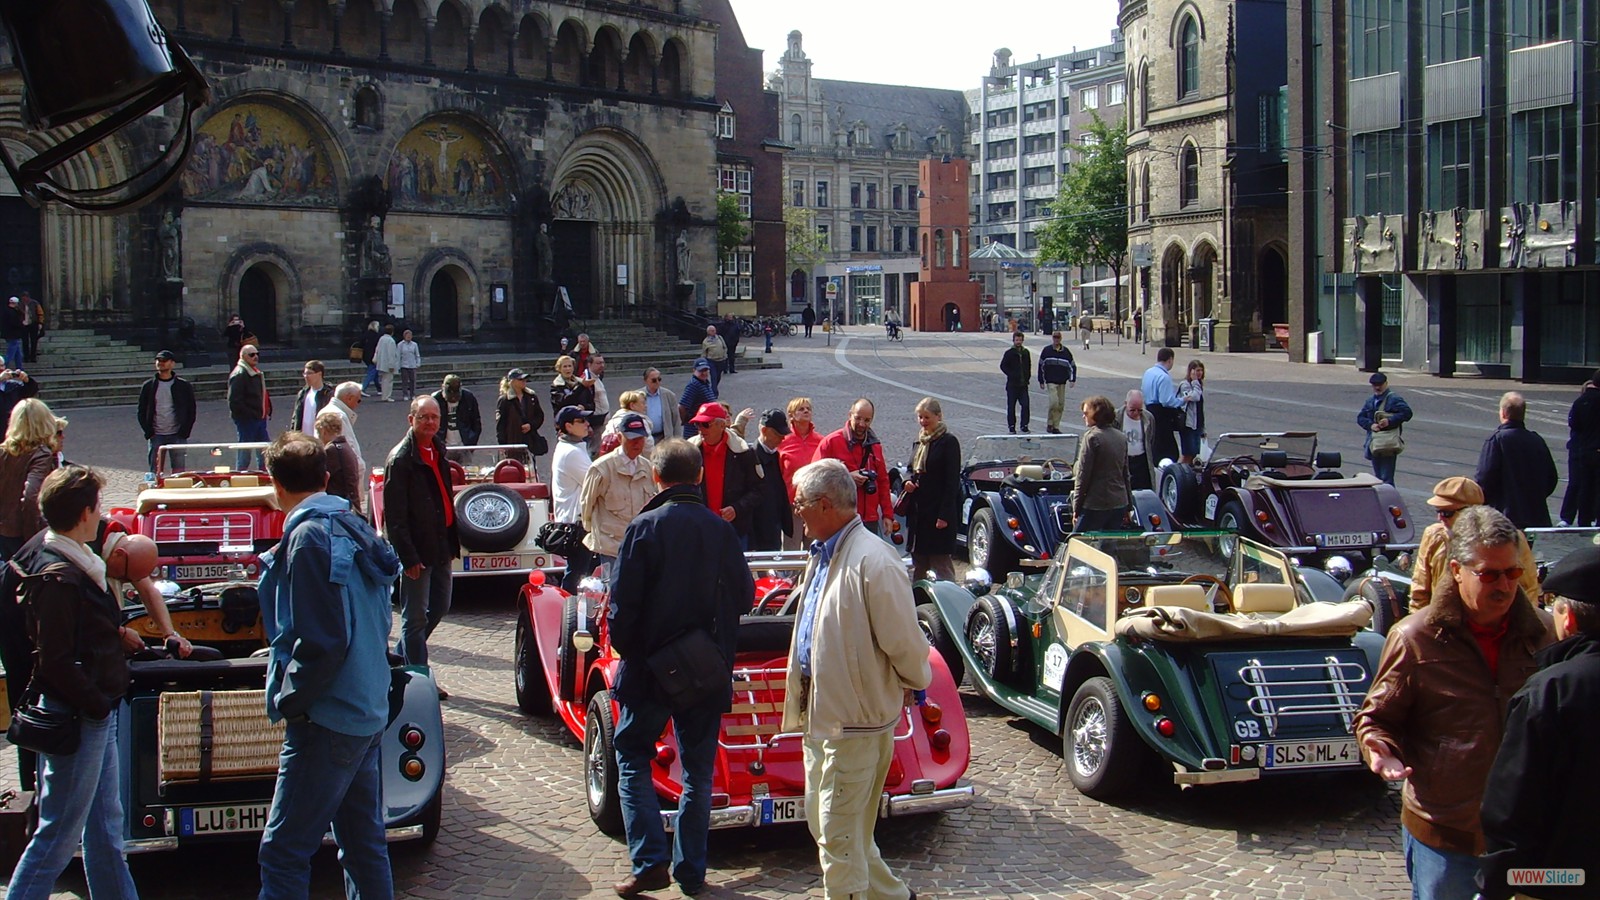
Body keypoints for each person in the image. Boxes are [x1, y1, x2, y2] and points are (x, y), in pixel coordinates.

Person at [1354, 505, 1554, 900]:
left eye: (1512, 573)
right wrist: (1380, 751)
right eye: (1488, 574)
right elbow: (1376, 718)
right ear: (1457, 569)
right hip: (1446, 836)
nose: (1504, 586)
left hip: (1530, 835)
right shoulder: (1415, 637)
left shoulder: (1546, 635)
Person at [255, 433, 402, 899]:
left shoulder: (308, 536)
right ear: (323, 477)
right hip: (366, 704)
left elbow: (322, 641)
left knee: (283, 851)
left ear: (275, 485)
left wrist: (290, 700)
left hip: (330, 713)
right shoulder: (353, 522)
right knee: (362, 845)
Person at [607, 439, 751, 898]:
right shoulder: (719, 530)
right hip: (706, 666)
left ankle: (650, 861)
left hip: (650, 668)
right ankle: (691, 871)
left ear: (656, 477)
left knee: (631, 755)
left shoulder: (644, 526)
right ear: (699, 477)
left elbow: (622, 607)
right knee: (698, 774)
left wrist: (631, 651)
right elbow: (745, 597)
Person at [781, 458, 931, 900]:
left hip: (855, 722)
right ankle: (893, 896)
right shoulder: (826, 552)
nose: (796, 512)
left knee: (838, 834)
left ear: (824, 505)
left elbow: (905, 641)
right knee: (832, 824)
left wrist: (911, 680)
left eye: (800, 503)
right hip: (826, 714)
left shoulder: (873, 560)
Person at [5, 466, 140, 900]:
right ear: (84, 514)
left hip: (90, 708)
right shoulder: (61, 576)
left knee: (105, 830)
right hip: (82, 715)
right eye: (98, 508)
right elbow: (57, 659)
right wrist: (97, 704)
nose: (102, 517)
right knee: (60, 834)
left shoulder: (51, 555)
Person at [1477, 543, 1600, 899]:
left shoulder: (1552, 691)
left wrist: (1501, 886)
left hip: (1565, 881)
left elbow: (1513, 807)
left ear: (1569, 619)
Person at [381, 397, 459, 689]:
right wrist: (408, 557)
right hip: (417, 549)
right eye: (423, 417)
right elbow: (395, 515)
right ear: (411, 419)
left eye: (434, 417)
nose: (430, 422)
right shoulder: (401, 459)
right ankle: (419, 679)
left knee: (440, 606)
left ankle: (403, 654)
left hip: (440, 544)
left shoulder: (438, 449)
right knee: (414, 618)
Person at [1409, 476, 1538, 613]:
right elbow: (1419, 591)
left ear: (1471, 512)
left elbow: (1529, 589)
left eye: (1447, 513)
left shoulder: (1511, 538)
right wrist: (1423, 625)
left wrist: (1524, 628)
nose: (1440, 518)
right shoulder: (1434, 535)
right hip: (1444, 623)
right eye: (1438, 511)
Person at [579, 412, 658, 583]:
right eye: (632, 438)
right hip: (611, 546)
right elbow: (587, 505)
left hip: (640, 546)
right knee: (613, 592)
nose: (637, 443)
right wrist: (595, 533)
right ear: (620, 437)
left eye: (641, 438)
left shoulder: (647, 467)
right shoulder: (601, 468)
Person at [1475, 391, 1559, 529]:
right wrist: (1536, 498)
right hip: (1533, 514)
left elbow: (1485, 477)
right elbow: (1551, 478)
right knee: (1525, 549)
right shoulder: (1536, 440)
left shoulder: (1497, 440)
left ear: (1503, 413)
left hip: (1502, 514)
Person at [812, 398, 894, 536]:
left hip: (869, 519)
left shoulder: (875, 446)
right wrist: (847, 478)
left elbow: (883, 482)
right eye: (858, 418)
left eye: (867, 420)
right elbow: (814, 479)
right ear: (850, 415)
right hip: (840, 519)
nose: (862, 424)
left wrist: (887, 515)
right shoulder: (831, 442)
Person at [687, 402, 763, 546]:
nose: (701, 429)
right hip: (699, 529)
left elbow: (758, 490)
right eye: (698, 425)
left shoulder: (743, 452)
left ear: (722, 426)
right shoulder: (690, 452)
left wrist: (737, 508)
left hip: (735, 530)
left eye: (706, 424)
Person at [902, 398, 961, 581]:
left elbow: (952, 482)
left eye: (927, 417)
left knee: (941, 563)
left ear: (938, 416)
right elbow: (910, 469)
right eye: (920, 417)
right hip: (919, 515)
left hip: (937, 513)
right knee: (919, 564)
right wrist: (907, 482)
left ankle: (949, 602)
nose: (923, 421)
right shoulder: (919, 442)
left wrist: (944, 515)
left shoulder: (948, 442)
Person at [0, 399, 59, 560]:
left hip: (4, 528)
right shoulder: (41, 454)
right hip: (22, 532)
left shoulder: (3, 451)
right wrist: (35, 534)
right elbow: (31, 495)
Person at [1073, 396, 1134, 532]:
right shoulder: (1121, 437)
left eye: (1086, 413)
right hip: (1119, 502)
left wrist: (1076, 508)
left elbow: (1083, 476)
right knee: (1108, 545)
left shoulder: (1092, 438)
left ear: (1096, 414)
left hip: (1097, 503)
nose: (1084, 416)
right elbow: (1125, 474)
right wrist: (1129, 506)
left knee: (1078, 542)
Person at [552, 406, 595, 592]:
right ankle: (568, 610)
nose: (587, 424)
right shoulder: (572, 452)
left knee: (582, 569)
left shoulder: (572, 447)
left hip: (575, 520)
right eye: (581, 421)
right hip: (575, 523)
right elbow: (595, 481)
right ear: (568, 426)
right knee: (577, 572)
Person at [136, 349, 196, 473]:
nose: (160, 363)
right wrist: (148, 431)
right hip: (156, 435)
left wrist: (185, 431)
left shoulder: (183, 386)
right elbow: (141, 410)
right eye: (158, 360)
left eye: (164, 360)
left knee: (179, 471)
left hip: (177, 434)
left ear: (172, 363)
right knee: (155, 471)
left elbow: (191, 410)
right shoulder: (148, 386)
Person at [778, 397, 823, 551]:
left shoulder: (821, 441)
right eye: (801, 409)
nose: (806, 411)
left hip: (815, 503)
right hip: (791, 505)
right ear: (791, 415)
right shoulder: (782, 441)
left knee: (815, 549)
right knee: (792, 549)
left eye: (808, 409)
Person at [1559, 370, 1600, 527]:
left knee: (1579, 484)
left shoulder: (1580, 402)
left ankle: (1576, 519)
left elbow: (1574, 424)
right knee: (1594, 486)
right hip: (1595, 449)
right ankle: (1593, 518)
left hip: (1581, 450)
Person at [747, 408, 792, 552]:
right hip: (758, 530)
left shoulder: (775, 455)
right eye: (778, 434)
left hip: (774, 526)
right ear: (764, 430)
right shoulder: (750, 457)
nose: (782, 439)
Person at [1358, 372, 1412, 486]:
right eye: (1374, 385)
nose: (1377, 387)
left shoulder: (1394, 399)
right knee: (1378, 477)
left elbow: (1407, 413)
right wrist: (1371, 425)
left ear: (1386, 384)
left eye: (1380, 384)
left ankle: (1389, 500)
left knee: (1386, 477)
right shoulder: (1370, 401)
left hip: (1388, 442)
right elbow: (1360, 418)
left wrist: (1389, 421)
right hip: (1374, 442)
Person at [227, 342, 271, 470]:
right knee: (245, 450)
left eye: (257, 354)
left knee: (264, 450)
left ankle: (264, 474)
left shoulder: (254, 371)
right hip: (248, 420)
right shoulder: (240, 374)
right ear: (243, 357)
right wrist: (250, 415)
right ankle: (240, 475)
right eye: (252, 355)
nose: (255, 357)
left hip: (259, 418)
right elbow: (234, 401)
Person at [1140, 347, 1186, 466]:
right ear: (1170, 360)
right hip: (1161, 413)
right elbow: (1166, 401)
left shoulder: (1148, 372)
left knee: (1155, 440)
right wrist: (1182, 400)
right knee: (1168, 447)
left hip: (1149, 409)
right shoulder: (1164, 377)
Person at [496, 368, 546, 473]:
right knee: (513, 469)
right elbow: (501, 424)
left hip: (529, 439)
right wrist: (502, 444)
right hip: (512, 440)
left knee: (531, 469)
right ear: (512, 382)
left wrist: (531, 425)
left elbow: (539, 416)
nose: (524, 382)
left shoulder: (531, 396)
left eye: (525, 379)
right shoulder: (505, 400)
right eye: (520, 380)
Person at [316, 410, 363, 516]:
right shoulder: (345, 446)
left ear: (324, 431)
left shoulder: (331, 450)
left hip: (339, 506)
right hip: (350, 504)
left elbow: (319, 479)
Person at [1113, 390, 1158, 492]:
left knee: (1143, 492)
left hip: (1141, 461)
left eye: (1140, 410)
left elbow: (1151, 440)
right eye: (1132, 410)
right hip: (1123, 460)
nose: (1136, 413)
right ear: (1125, 404)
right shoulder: (1116, 417)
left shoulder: (1148, 418)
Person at [321, 382, 366, 476]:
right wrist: (359, 467)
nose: (358, 405)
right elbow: (347, 447)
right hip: (343, 474)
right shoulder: (339, 416)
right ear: (349, 398)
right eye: (358, 400)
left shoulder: (330, 411)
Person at [1037, 330, 1077, 434]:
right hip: (1051, 381)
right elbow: (1041, 366)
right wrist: (1041, 380)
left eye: (1058, 337)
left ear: (1061, 338)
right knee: (1053, 403)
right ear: (1052, 338)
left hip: (1062, 382)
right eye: (1055, 337)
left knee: (1061, 404)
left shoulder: (1066, 352)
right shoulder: (1047, 350)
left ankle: (1056, 426)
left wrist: (1072, 379)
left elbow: (1072, 366)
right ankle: (1050, 422)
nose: (1056, 339)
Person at [433, 373, 483, 452]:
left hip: (464, 446)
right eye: (450, 393)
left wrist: (471, 442)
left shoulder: (468, 398)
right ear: (442, 387)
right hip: (442, 447)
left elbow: (476, 421)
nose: (453, 397)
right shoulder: (434, 400)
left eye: (455, 394)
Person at [287, 359, 333, 436]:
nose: (306, 376)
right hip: (303, 439)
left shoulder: (328, 394)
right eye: (304, 373)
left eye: (309, 373)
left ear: (319, 374)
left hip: (320, 438)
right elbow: (295, 418)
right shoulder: (303, 393)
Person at [604, 390, 655, 456]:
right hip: (636, 461)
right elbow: (648, 445)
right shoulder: (639, 422)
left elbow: (605, 439)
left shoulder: (613, 421)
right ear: (632, 405)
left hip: (615, 458)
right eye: (643, 403)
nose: (646, 406)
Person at [0, 353, 39, 440]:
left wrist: (27, 380)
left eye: (2, 365)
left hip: (12, 430)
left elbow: (30, 392)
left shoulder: (13, 385)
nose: (1, 369)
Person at [999, 330, 1032, 434]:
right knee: (1011, 406)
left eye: (1020, 340)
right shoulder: (1009, 353)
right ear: (1013, 341)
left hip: (1023, 385)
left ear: (1022, 340)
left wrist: (1027, 377)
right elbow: (1003, 366)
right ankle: (1012, 426)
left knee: (1025, 405)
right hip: (1012, 385)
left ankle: (1024, 425)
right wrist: (1011, 374)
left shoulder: (1025, 352)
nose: (1018, 342)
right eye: (1016, 340)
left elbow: (1028, 365)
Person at [678, 359, 717, 439]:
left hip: (705, 427)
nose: (704, 373)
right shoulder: (694, 385)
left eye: (705, 370)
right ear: (694, 370)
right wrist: (687, 421)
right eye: (700, 370)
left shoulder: (704, 383)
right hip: (694, 429)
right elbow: (682, 407)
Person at [639, 368, 679, 444]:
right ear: (645, 381)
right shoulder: (637, 396)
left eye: (659, 379)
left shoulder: (669, 395)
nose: (657, 382)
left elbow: (676, 420)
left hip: (664, 438)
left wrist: (678, 441)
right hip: (646, 439)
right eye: (654, 380)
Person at [550, 355, 596, 422]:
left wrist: (584, 407)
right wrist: (580, 388)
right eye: (565, 366)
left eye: (570, 366)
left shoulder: (580, 382)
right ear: (559, 369)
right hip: (565, 421)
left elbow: (591, 404)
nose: (568, 369)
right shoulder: (556, 385)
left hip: (583, 420)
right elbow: (563, 402)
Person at [1178, 360, 1207, 465]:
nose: (1199, 373)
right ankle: (1179, 472)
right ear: (1190, 371)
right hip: (1188, 424)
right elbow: (1194, 397)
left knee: (1195, 453)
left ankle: (1188, 473)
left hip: (1197, 424)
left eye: (1201, 370)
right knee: (1187, 453)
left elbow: (1200, 409)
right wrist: (1195, 382)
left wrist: (1203, 428)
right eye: (1197, 370)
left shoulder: (1198, 385)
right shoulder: (1185, 385)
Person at [586, 353, 612, 454]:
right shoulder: (586, 380)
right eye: (598, 363)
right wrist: (588, 424)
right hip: (596, 423)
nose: (602, 365)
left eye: (602, 362)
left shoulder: (598, 377)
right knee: (594, 451)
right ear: (589, 364)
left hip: (603, 421)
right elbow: (585, 403)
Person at [373, 324, 399, 401]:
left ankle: (384, 395)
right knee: (389, 380)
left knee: (384, 380)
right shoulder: (391, 341)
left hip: (382, 363)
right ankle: (387, 396)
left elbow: (377, 350)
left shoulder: (381, 338)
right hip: (388, 363)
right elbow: (391, 354)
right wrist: (392, 365)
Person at [700, 325, 727, 394]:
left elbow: (724, 347)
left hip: (721, 360)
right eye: (712, 331)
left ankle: (713, 388)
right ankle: (714, 392)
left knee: (718, 376)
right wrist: (703, 362)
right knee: (714, 376)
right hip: (711, 361)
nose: (714, 332)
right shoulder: (706, 341)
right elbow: (704, 352)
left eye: (714, 330)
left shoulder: (720, 338)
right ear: (708, 332)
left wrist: (725, 355)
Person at [397, 328, 422, 401]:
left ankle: (413, 394)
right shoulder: (400, 345)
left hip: (412, 365)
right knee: (404, 381)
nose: (409, 337)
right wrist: (397, 366)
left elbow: (417, 355)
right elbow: (398, 356)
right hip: (404, 365)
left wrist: (418, 363)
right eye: (407, 336)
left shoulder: (414, 344)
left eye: (410, 336)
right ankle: (405, 394)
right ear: (404, 336)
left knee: (413, 381)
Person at [359, 320, 382, 396]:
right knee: (372, 372)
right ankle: (363, 388)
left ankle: (379, 389)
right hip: (373, 356)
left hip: (366, 356)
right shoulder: (376, 335)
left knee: (374, 373)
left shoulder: (365, 334)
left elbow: (361, 343)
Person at [20, 290, 42, 363]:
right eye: (23, 297)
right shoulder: (20, 304)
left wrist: (40, 323)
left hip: (33, 324)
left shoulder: (35, 303)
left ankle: (33, 356)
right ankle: (26, 357)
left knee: (34, 341)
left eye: (26, 297)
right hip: (23, 325)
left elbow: (40, 313)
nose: (25, 299)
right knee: (25, 341)